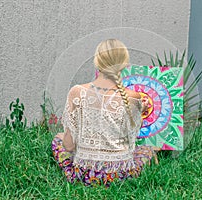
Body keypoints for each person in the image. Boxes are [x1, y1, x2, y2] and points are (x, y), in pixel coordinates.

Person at [51, 39, 156, 187]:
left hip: (84, 173)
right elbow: (133, 138)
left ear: (97, 62)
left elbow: (68, 147)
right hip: (120, 175)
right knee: (147, 150)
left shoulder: (77, 92)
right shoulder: (133, 97)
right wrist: (141, 111)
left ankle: (74, 173)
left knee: (58, 139)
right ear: (125, 64)